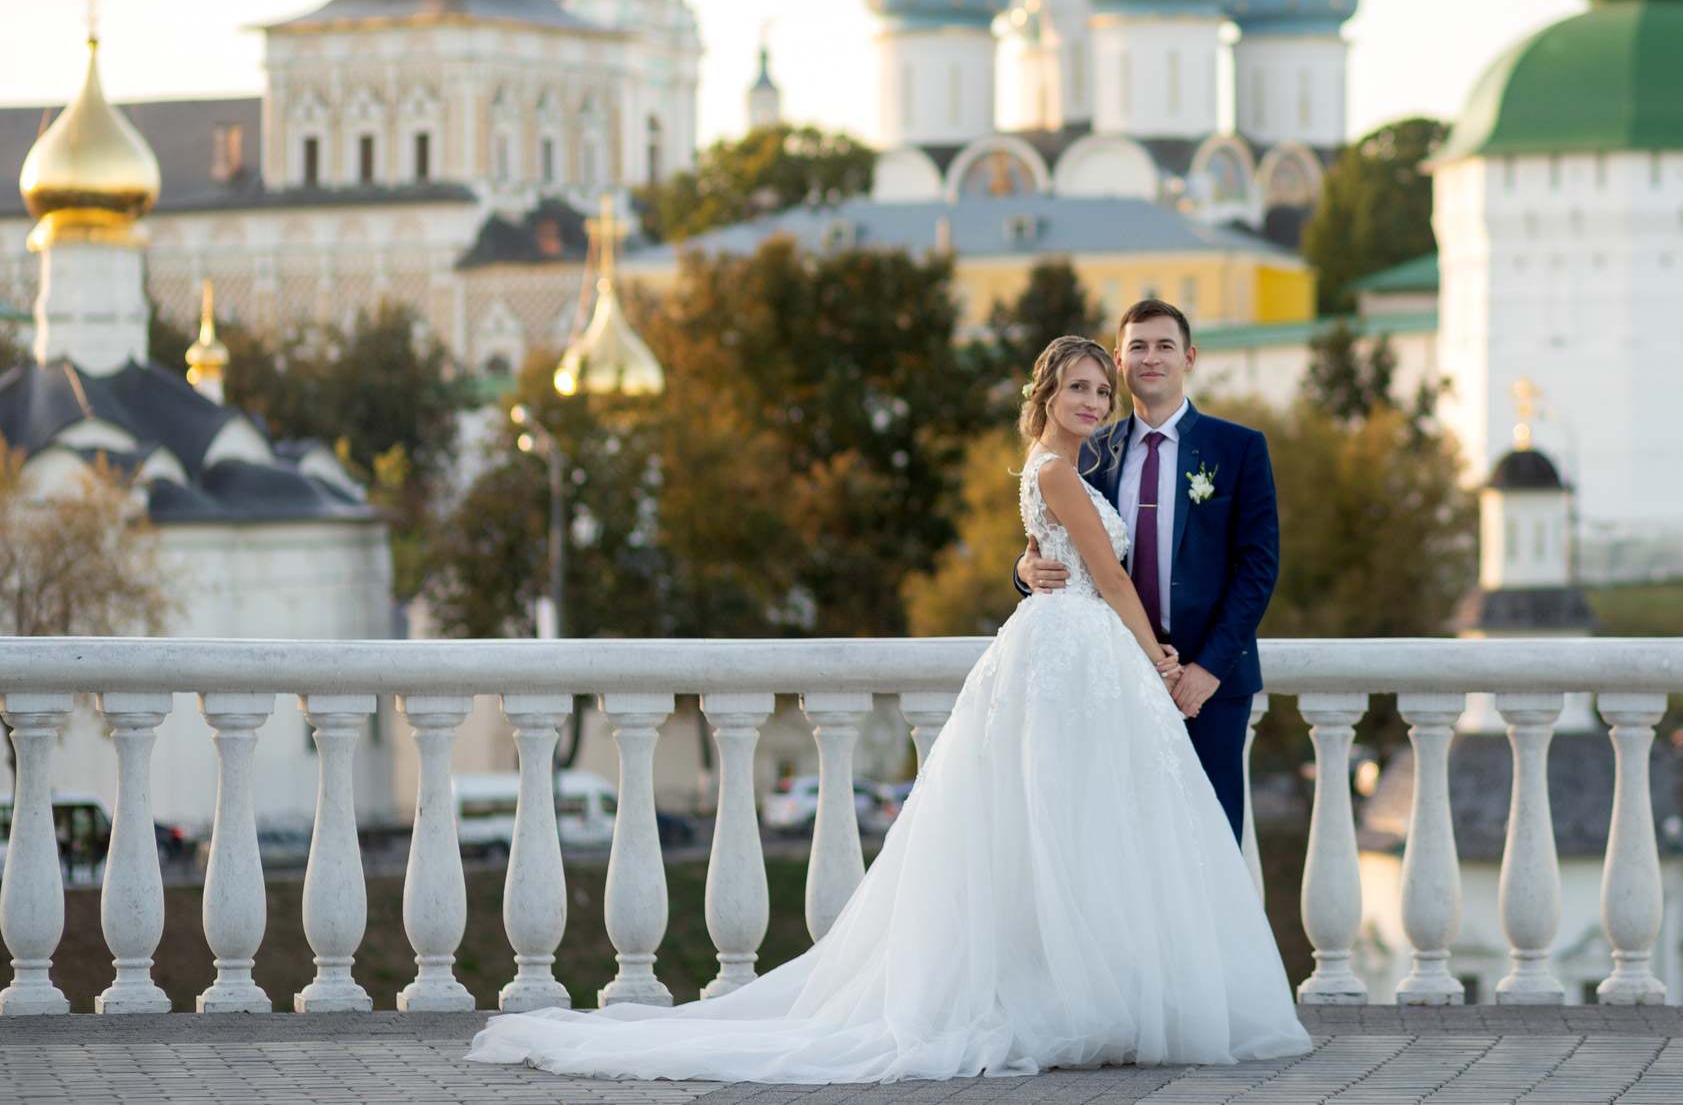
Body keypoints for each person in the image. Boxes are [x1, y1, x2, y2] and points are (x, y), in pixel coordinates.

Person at [467, 332, 1309, 1084]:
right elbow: (1110, 572)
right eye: (1082, 386)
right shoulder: (1067, 464)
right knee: (1056, 826)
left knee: (1094, 829)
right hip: (1083, 652)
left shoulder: (1110, 457)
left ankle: (1105, 992)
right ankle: (1076, 998)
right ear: (1048, 395)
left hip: (1092, 653)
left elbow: (1117, 556)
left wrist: (1050, 574)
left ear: (1176, 361)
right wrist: (1150, 649)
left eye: (1101, 387)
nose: (1096, 399)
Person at [1014, 299, 1281, 843]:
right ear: (1119, 360)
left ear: (1190, 357)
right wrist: (1024, 569)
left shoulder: (1239, 449)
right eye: (1138, 346)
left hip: (1208, 685)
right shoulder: (1090, 448)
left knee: (1210, 843)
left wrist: (1207, 669)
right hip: (1114, 675)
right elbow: (1059, 540)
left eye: (1165, 346)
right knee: (1125, 846)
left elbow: (1258, 567)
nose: (1151, 358)